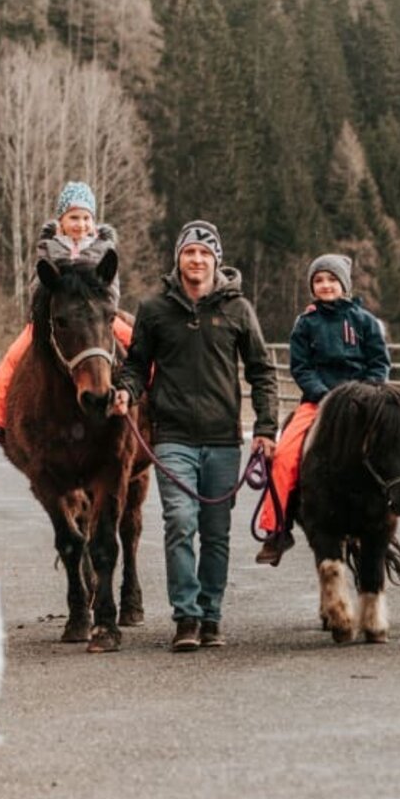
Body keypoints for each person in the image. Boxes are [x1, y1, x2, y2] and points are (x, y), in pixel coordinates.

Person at [111, 220, 278, 652]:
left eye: (205, 253)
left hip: (224, 438)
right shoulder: (154, 309)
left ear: (216, 260)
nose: (197, 259)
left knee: (216, 532)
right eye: (189, 252)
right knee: (180, 523)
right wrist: (127, 393)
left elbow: (262, 371)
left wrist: (264, 427)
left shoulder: (238, 309)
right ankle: (186, 616)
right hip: (173, 437)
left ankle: (212, 616)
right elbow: (136, 365)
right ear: (179, 259)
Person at [254, 253, 400, 566]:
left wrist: (368, 393)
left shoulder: (365, 321)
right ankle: (276, 527)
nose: (325, 285)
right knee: (284, 456)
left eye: (331, 280)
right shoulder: (305, 324)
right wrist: (324, 395)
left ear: (344, 285)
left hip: (366, 402)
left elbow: (379, 362)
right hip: (318, 401)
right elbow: (301, 367)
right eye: (319, 280)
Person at [0, 181, 133, 443]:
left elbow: (111, 287)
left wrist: (104, 309)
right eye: (73, 217)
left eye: (85, 218)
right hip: (59, 317)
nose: (80, 224)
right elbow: (39, 285)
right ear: (61, 220)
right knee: (15, 354)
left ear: (93, 221)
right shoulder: (49, 247)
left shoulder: (103, 249)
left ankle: (158, 404)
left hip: (95, 316)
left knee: (136, 341)